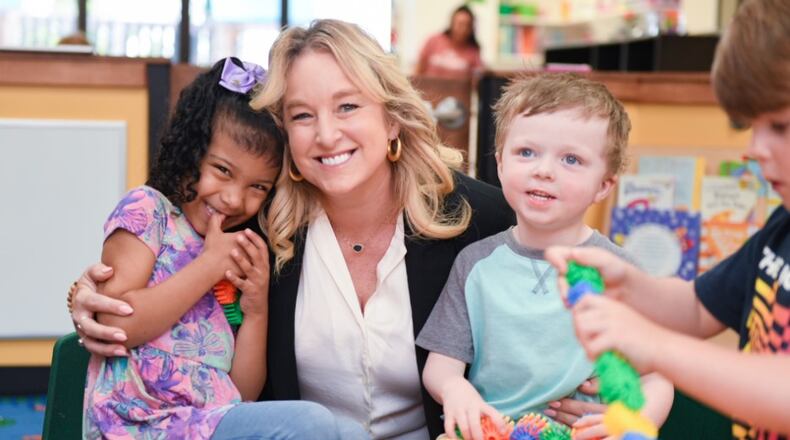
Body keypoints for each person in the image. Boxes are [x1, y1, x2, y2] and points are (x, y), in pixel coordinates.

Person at [69, 20, 608, 439]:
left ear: (391, 118)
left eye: (347, 106)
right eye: (302, 116)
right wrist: (88, 294)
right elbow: (166, 235)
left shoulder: (477, 220)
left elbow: (592, 279)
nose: (327, 134)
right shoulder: (259, 226)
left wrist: (597, 385)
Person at [78, 57, 367, 440]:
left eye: (258, 187)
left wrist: (256, 309)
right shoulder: (148, 212)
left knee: (350, 433)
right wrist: (208, 266)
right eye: (223, 171)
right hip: (138, 424)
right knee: (312, 424)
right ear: (191, 152)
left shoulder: (239, 248)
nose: (234, 199)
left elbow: (242, 393)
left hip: (208, 423)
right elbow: (115, 324)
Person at [545, 1, 790, 438]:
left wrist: (655, 347)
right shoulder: (782, 228)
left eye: (781, 126)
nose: (754, 148)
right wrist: (630, 287)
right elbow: (698, 307)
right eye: (751, 126)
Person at [415, 73, 674, 440]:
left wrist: (633, 422)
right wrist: (456, 392)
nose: (543, 170)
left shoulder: (618, 272)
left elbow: (655, 376)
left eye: (571, 159)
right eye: (526, 152)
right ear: (500, 162)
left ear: (604, 184)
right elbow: (441, 366)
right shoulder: (474, 264)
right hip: (492, 430)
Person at [415, 5, 483, 79]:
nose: (463, 29)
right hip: (428, 89)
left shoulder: (473, 51)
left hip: (458, 90)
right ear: (452, 23)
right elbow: (418, 70)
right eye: (460, 24)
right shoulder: (434, 41)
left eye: (467, 25)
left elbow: (476, 79)